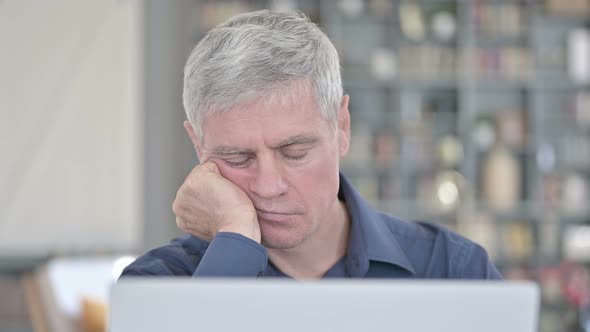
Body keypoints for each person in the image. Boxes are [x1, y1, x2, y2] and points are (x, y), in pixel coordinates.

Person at [121, 10, 502, 279]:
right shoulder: (158, 283)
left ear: (342, 127)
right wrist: (236, 237)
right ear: (198, 145)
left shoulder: (454, 269)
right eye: (238, 157)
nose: (268, 187)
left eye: (294, 152)